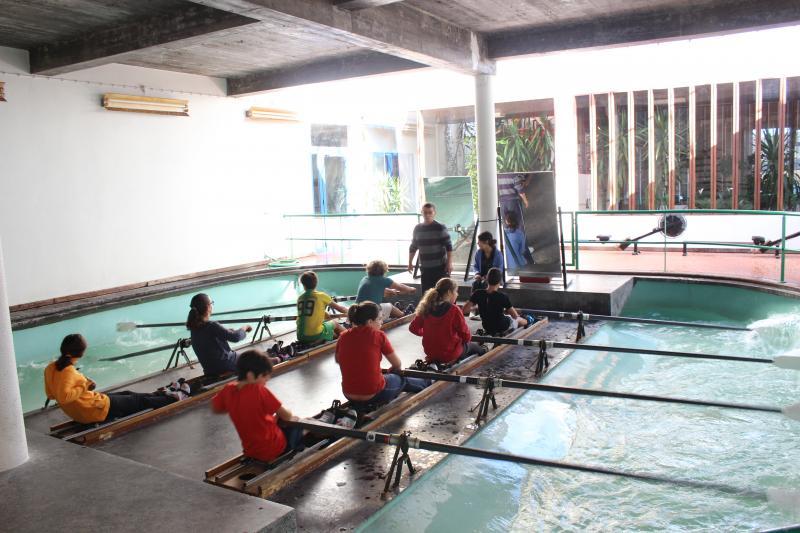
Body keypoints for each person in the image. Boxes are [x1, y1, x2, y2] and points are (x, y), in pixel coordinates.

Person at [44, 333, 178, 424]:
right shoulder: (68, 371)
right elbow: (64, 397)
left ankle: (161, 395)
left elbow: (51, 395)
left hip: (85, 408)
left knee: (128, 393)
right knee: (139, 402)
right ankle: (174, 398)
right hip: (94, 411)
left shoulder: (50, 367)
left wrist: (81, 389)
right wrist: (85, 386)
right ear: (81, 353)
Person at [212, 349, 303, 463]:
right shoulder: (258, 390)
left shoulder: (228, 389)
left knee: (275, 420)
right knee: (295, 422)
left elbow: (216, 408)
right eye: (264, 378)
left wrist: (236, 408)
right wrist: (288, 414)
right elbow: (286, 416)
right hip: (273, 448)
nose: (265, 382)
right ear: (250, 376)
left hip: (250, 450)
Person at [335, 301, 429, 407]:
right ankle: (428, 382)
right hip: (374, 394)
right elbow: (397, 364)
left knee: (384, 377)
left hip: (348, 393)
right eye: (379, 319)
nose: (382, 321)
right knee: (401, 379)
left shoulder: (343, 336)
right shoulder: (378, 335)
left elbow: (339, 360)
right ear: (370, 322)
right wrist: (394, 370)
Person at [187, 293, 278, 376]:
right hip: (225, 364)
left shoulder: (194, 328)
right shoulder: (212, 325)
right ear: (208, 307)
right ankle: (276, 360)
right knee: (250, 356)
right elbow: (235, 337)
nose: (212, 305)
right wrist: (244, 328)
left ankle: (266, 358)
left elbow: (209, 339)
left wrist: (227, 331)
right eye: (212, 303)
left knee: (247, 356)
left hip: (209, 369)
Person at [409, 278, 486, 366]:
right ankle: (484, 351)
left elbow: (413, 328)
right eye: (456, 291)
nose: (457, 294)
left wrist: (427, 333)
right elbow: (466, 337)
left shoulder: (426, 306)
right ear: (449, 292)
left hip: (430, 353)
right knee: (474, 347)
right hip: (449, 354)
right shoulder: (454, 310)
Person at [463, 268, 534, 336]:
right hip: (502, 326)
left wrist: (476, 307)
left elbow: (464, 310)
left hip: (487, 326)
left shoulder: (477, 293)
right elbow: (515, 316)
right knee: (518, 319)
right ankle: (529, 321)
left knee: (507, 317)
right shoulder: (502, 296)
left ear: (487, 279)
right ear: (500, 281)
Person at [408, 203, 453, 294]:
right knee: (427, 294)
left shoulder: (440, 227)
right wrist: (410, 262)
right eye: (425, 212)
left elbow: (449, 246)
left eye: (430, 212)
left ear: (434, 213)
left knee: (442, 293)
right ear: (422, 213)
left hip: (440, 267)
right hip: (425, 268)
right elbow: (413, 246)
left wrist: (449, 263)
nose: (427, 215)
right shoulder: (417, 228)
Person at [296, 271, 348, 345]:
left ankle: (321, 341)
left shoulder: (300, 298)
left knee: (334, 334)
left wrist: (336, 315)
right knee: (336, 324)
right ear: (316, 283)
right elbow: (341, 309)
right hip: (314, 334)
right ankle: (351, 338)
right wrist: (351, 312)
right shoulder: (321, 296)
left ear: (303, 284)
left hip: (300, 335)